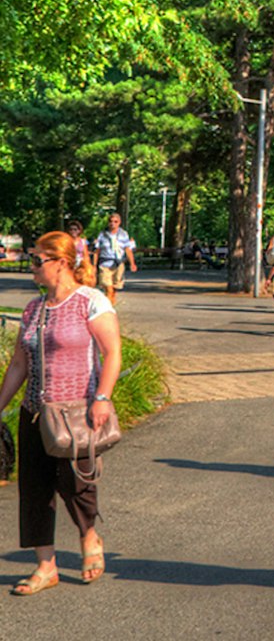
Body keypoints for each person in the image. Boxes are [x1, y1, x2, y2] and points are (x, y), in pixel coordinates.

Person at [0, 231, 121, 594]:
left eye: (38, 261)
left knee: (76, 485)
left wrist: (103, 397)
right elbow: (20, 362)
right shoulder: (33, 308)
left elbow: (112, 352)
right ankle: (45, 566)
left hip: (76, 411)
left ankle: (89, 537)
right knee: (34, 489)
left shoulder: (91, 301)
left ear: (62, 263)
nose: (32, 267)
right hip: (36, 411)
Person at [91, 212, 137, 307]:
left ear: (119, 222)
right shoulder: (102, 234)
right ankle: (108, 307)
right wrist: (94, 265)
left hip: (118, 263)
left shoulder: (123, 234)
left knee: (114, 287)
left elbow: (127, 249)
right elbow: (97, 250)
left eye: (115, 222)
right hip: (105, 263)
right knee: (107, 286)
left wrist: (132, 263)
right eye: (111, 221)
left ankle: (110, 304)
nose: (113, 224)